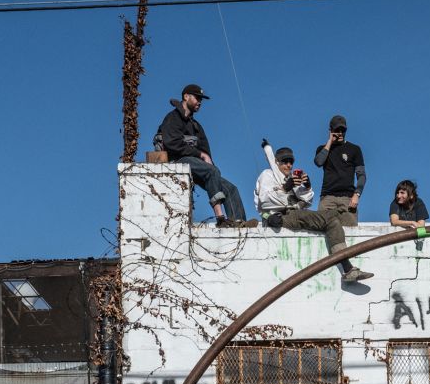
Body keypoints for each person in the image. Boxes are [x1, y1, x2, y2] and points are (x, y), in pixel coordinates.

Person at [255, 140, 372, 283]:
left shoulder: (289, 178)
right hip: (279, 216)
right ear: (277, 162)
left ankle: (348, 268)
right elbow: (265, 201)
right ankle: (348, 269)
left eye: (291, 162)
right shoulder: (267, 175)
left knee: (336, 217)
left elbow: (307, 201)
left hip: (294, 214)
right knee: (330, 220)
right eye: (285, 162)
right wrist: (286, 188)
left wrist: (307, 186)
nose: (289, 165)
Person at [155, 83, 248, 226]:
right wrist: (200, 156)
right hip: (177, 161)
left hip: (196, 165)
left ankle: (239, 223)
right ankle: (220, 218)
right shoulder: (173, 118)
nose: (199, 102)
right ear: (186, 97)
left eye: (201, 99)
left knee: (230, 188)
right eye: (197, 98)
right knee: (211, 171)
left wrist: (212, 170)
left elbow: (206, 153)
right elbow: (172, 143)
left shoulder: (196, 126)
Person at [312, 114, 365, 226]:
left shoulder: (355, 149)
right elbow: (318, 162)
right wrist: (330, 142)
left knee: (351, 233)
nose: (340, 133)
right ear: (330, 130)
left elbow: (361, 175)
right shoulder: (322, 149)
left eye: (343, 130)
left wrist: (357, 194)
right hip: (327, 198)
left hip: (347, 199)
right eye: (337, 129)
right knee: (322, 230)